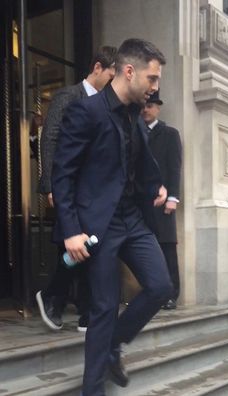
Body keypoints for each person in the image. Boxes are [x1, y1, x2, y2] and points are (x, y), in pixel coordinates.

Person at [50, 38, 173, 396]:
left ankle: (113, 345)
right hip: (97, 225)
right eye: (151, 79)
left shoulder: (134, 114)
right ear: (129, 71)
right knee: (104, 307)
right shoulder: (86, 111)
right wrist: (71, 230)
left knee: (161, 286)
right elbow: (63, 173)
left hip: (132, 219)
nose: (154, 87)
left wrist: (157, 189)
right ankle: (93, 390)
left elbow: (136, 164)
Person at [36, 45, 117, 332]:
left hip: (94, 191)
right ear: (97, 68)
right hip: (68, 186)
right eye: (111, 74)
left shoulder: (109, 104)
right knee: (76, 246)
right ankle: (55, 297)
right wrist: (49, 185)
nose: (113, 81)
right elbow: (50, 140)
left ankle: (80, 307)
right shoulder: (68, 96)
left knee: (89, 246)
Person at [142, 90, 182, 309]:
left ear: (158, 108)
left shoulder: (170, 134)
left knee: (167, 248)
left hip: (164, 203)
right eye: (144, 106)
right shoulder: (135, 132)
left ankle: (171, 294)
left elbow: (174, 168)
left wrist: (173, 198)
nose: (146, 109)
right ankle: (152, 293)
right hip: (141, 204)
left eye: (150, 106)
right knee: (147, 250)